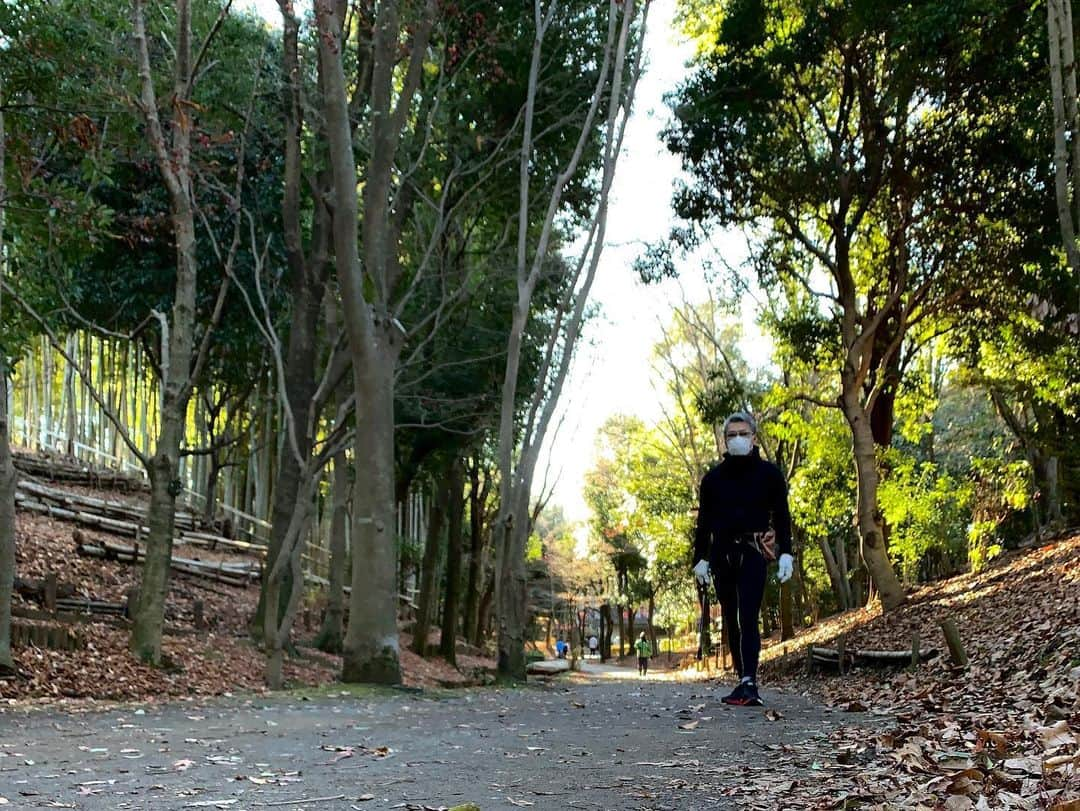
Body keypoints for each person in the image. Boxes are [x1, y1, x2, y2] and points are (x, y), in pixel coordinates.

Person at [692, 411, 794, 707]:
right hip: (722, 554)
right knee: (730, 619)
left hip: (753, 551)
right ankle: (741, 679)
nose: (737, 439)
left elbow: (782, 516)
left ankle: (750, 680)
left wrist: (786, 552)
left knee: (748, 615)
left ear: (753, 437)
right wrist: (700, 558)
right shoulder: (712, 479)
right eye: (731, 435)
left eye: (742, 433)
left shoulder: (770, 474)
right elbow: (704, 524)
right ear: (724, 440)